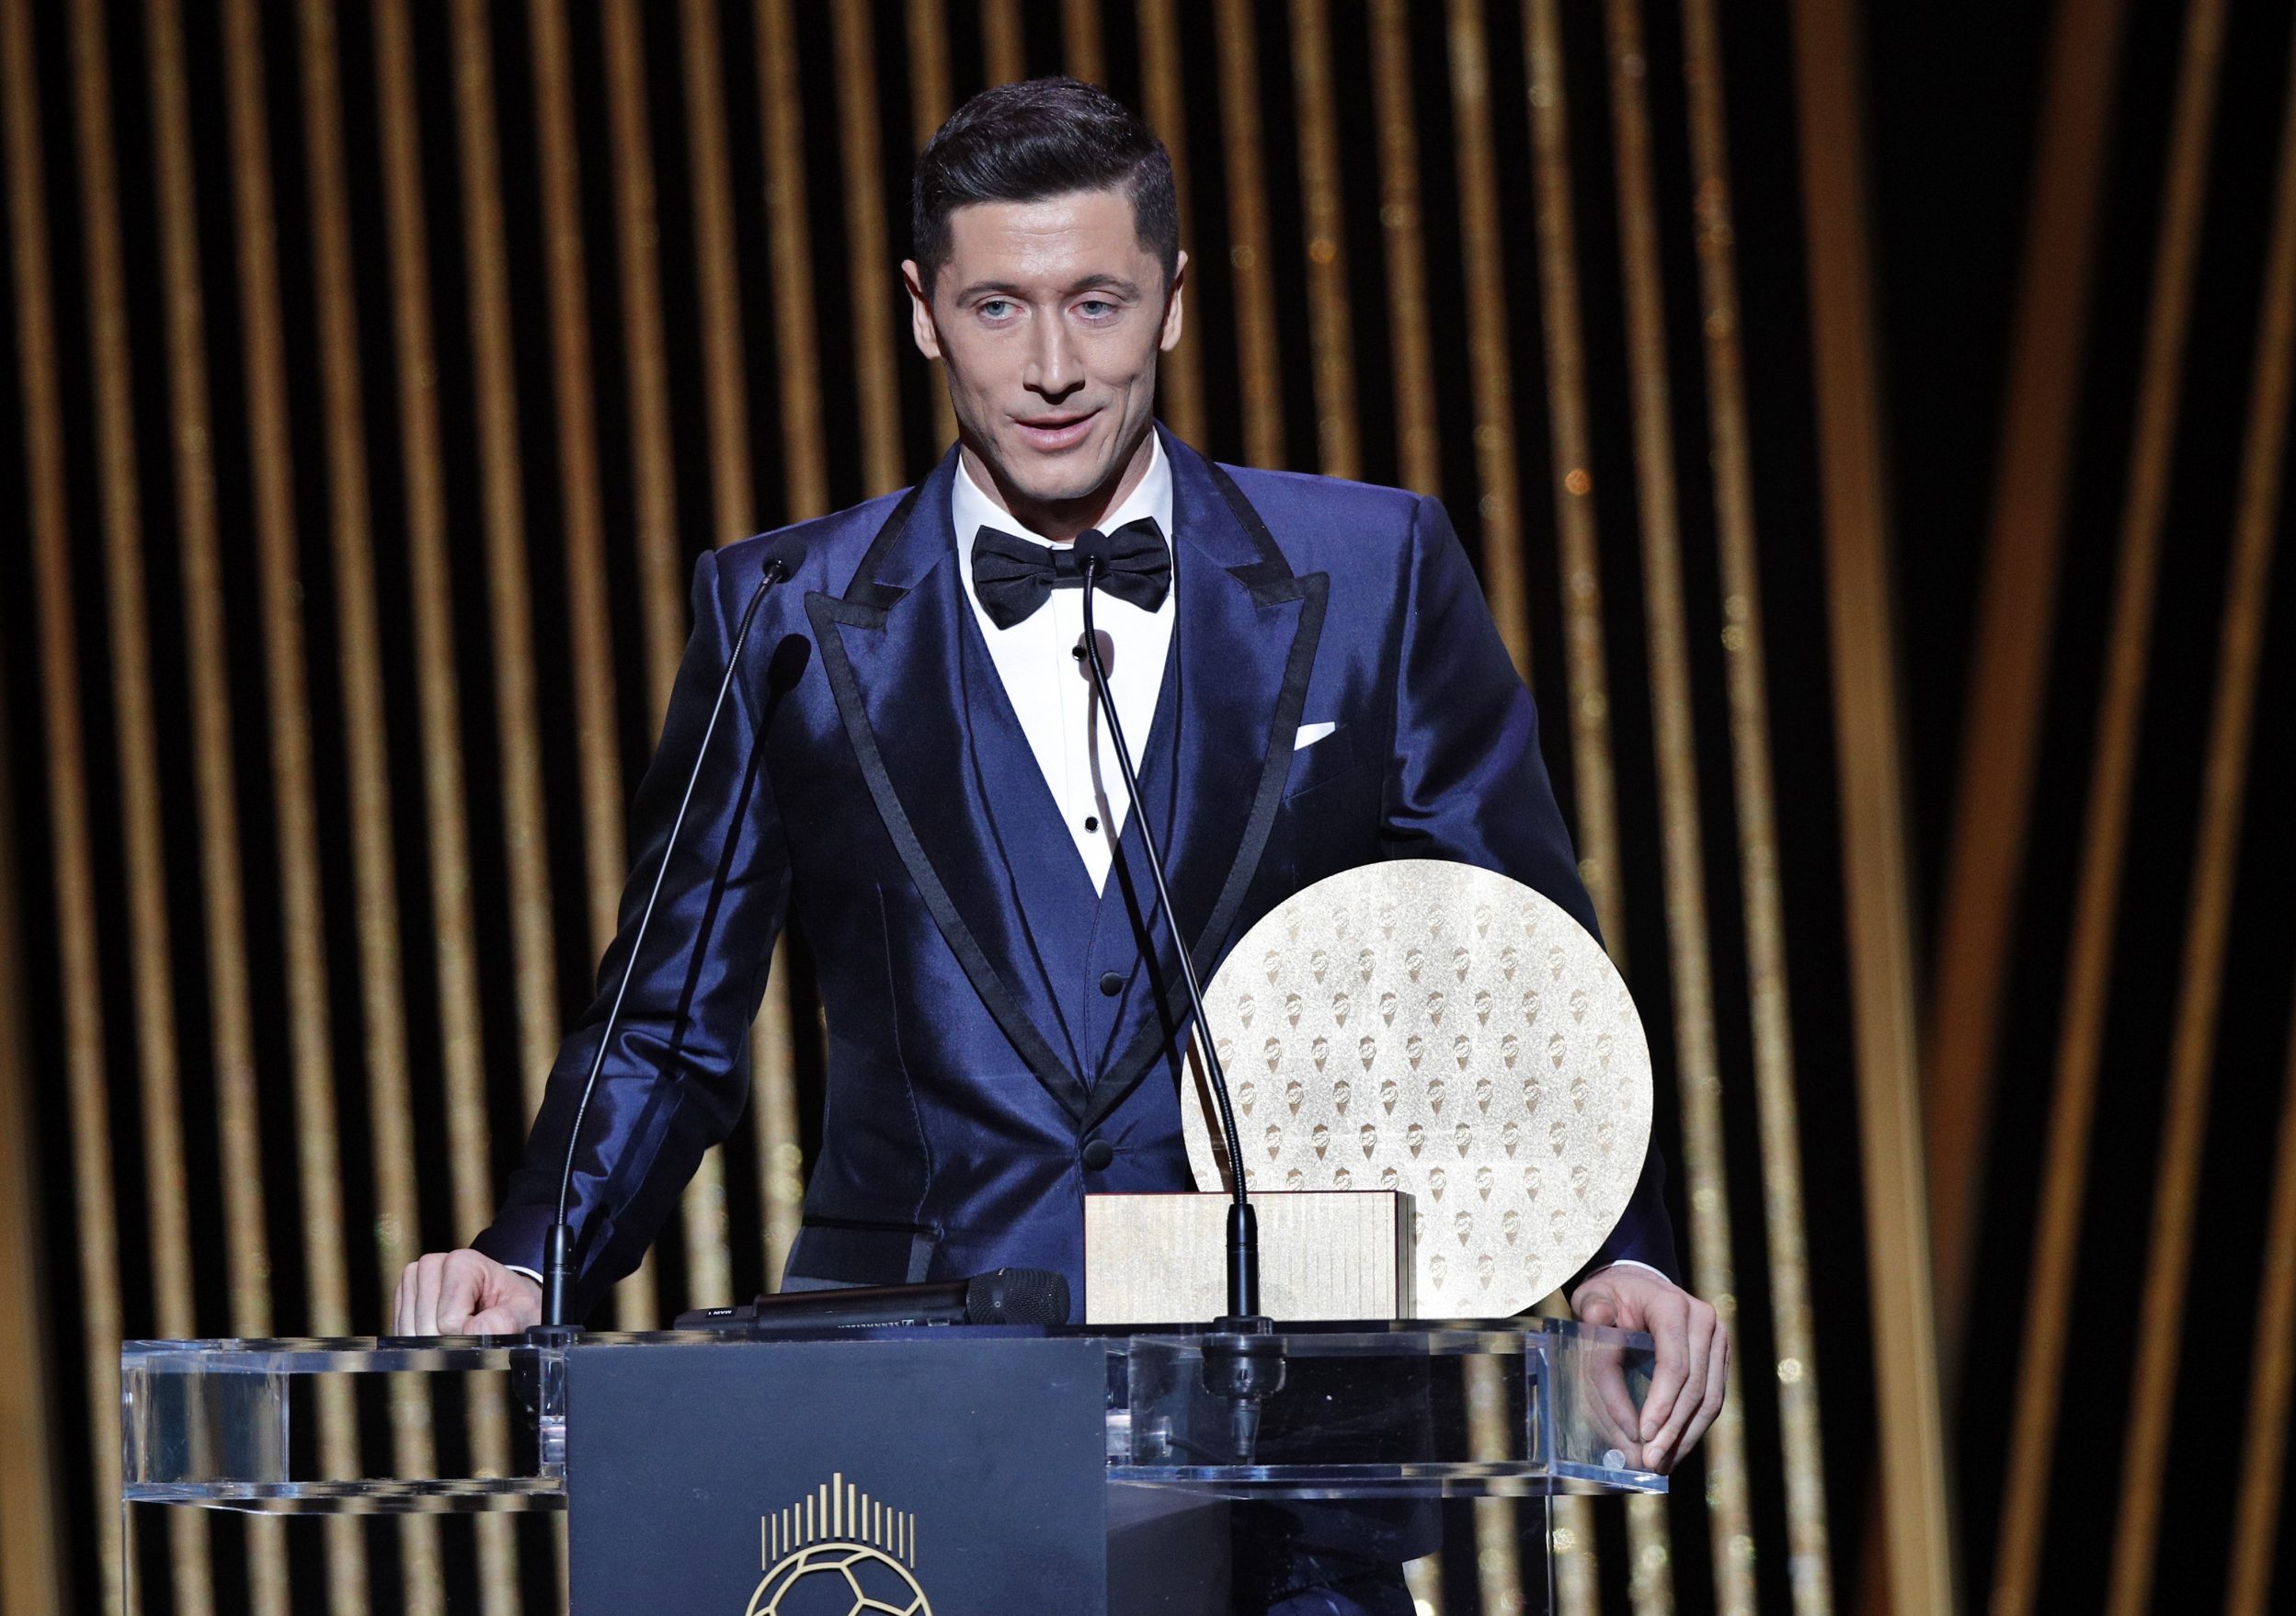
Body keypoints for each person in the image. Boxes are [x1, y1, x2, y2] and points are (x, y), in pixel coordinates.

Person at [394, 75, 1726, 1610]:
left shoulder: (1375, 572)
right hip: (909, 1443)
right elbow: (668, 1014)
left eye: (1096, 302)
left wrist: (1617, 1251)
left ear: (1172, 298)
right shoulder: (781, 612)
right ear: (923, 312)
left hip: (1289, 1434)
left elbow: (1517, 970)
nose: (1050, 367)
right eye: (997, 308)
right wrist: (534, 1253)